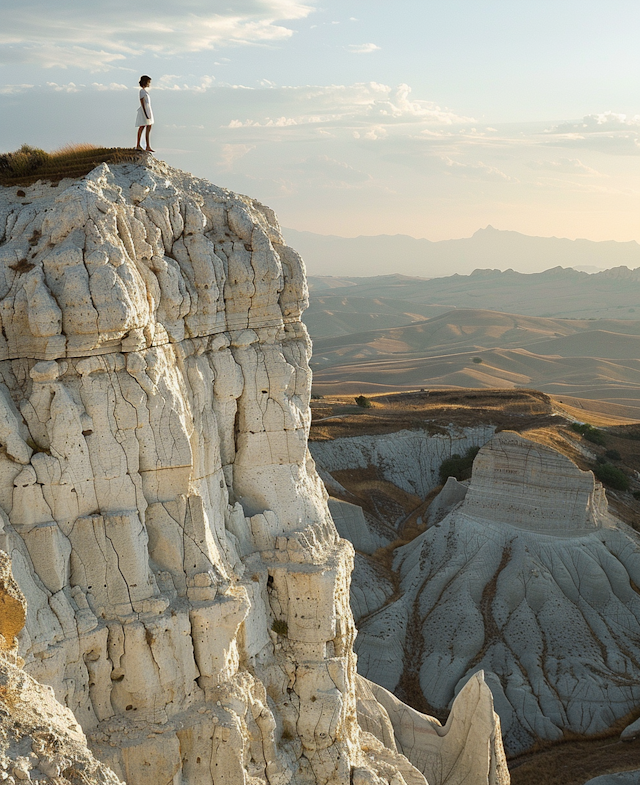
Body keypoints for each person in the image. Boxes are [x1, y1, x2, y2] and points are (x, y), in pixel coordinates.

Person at [135, 75, 155, 152]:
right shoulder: (142, 91)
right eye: (149, 82)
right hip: (145, 111)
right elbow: (142, 102)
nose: (149, 84)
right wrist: (145, 114)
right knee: (142, 127)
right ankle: (138, 145)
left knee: (148, 127)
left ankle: (147, 145)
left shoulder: (145, 91)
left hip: (148, 110)